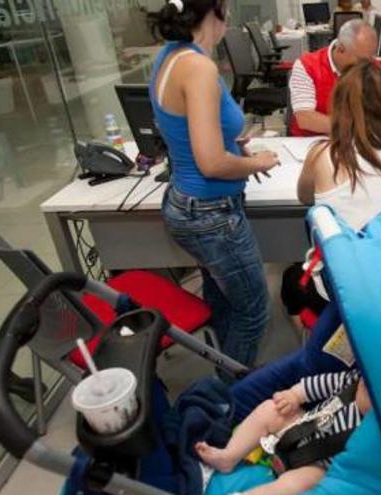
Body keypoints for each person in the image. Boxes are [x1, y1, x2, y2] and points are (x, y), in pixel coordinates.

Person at [147, 0, 277, 370]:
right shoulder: (200, 68)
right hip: (211, 213)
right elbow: (212, 163)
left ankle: (223, 372)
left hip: (185, 202)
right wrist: (256, 163)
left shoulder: (170, 56)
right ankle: (230, 400)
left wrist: (233, 146)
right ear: (215, 12)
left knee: (222, 299)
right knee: (253, 310)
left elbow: (185, 134)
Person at [281, 60, 381, 328]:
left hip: (337, 291)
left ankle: (317, 351)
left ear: (339, 106)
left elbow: (305, 197)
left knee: (290, 281)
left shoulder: (321, 155)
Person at [195, 370, 371, 494]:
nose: (366, 383)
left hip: (319, 467)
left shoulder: (380, 432)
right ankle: (228, 457)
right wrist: (293, 396)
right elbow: (314, 386)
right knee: (270, 410)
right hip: (299, 428)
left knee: (299, 484)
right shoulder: (352, 380)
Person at [289, 20, 378, 137]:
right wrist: (355, 127)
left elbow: (378, 112)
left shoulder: (371, 65)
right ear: (341, 49)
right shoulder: (307, 66)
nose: (366, 65)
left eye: (370, 57)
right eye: (360, 60)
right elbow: (305, 118)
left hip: (355, 141)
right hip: (310, 141)